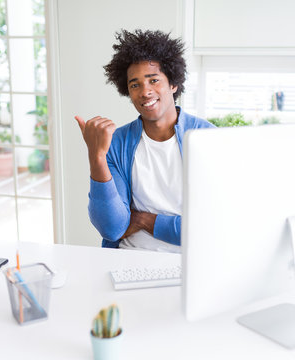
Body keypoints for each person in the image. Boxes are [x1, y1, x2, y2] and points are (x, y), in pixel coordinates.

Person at [75, 29, 213, 252]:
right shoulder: (117, 142)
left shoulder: (208, 139)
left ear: (173, 84)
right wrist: (96, 157)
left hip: (191, 261)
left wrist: (143, 220)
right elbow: (112, 229)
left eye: (154, 80)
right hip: (130, 257)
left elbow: (211, 227)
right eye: (135, 84)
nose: (145, 92)